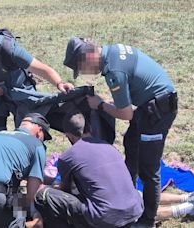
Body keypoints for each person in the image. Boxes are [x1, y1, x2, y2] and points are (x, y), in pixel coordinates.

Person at [63, 37, 178, 227]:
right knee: (131, 146)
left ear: (89, 55)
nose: (84, 73)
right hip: (148, 106)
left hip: (157, 111)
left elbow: (125, 114)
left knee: (148, 169)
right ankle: (127, 200)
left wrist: (100, 105)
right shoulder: (113, 52)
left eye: (82, 68)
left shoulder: (114, 71)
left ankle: (147, 220)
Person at [29, 112, 194, 228]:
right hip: (135, 207)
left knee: (45, 195)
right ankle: (189, 203)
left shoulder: (68, 157)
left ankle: (189, 205)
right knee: (127, 196)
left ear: (67, 135)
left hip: (104, 218)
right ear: (90, 129)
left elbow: (67, 192)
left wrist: (44, 187)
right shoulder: (110, 148)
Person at [0, 25, 74, 135]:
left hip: (20, 90)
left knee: (26, 133)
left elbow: (41, 69)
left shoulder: (10, 48)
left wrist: (59, 83)